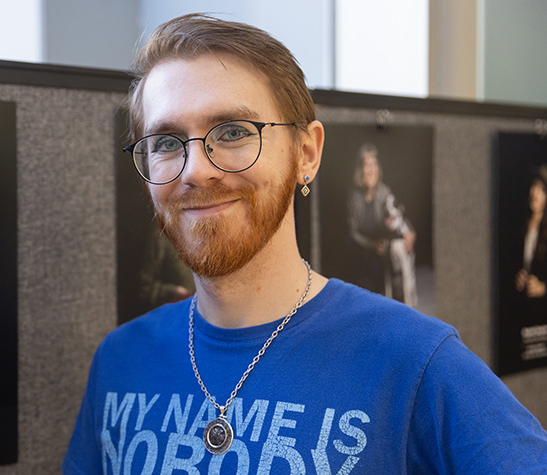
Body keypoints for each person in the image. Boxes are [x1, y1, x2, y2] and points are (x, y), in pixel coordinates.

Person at [63, 14, 547, 473]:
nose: (195, 170)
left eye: (232, 132)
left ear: (307, 154)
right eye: (167, 142)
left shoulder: (413, 362)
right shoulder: (120, 362)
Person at [346, 143, 418, 306]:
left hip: (379, 250)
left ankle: (406, 301)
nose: (371, 170)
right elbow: (351, 232)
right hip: (359, 249)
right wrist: (370, 245)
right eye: (367, 165)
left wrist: (410, 231)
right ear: (360, 169)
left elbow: (395, 214)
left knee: (395, 248)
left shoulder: (384, 191)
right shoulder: (353, 195)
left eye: (374, 165)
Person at [516, 165, 547, 300]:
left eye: (542, 190)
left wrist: (543, 288)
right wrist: (518, 277)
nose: (535, 193)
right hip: (520, 303)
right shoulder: (519, 225)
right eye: (534, 186)